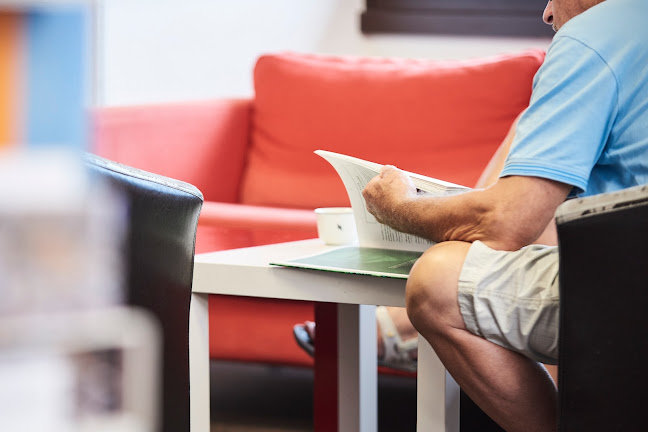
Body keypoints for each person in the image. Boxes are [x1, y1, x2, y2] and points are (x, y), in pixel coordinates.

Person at [297, 0, 648, 430]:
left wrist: (401, 207)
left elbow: (509, 222)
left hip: (631, 296)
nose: (547, 13)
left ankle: (404, 325)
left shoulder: (596, 35)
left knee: (439, 278)